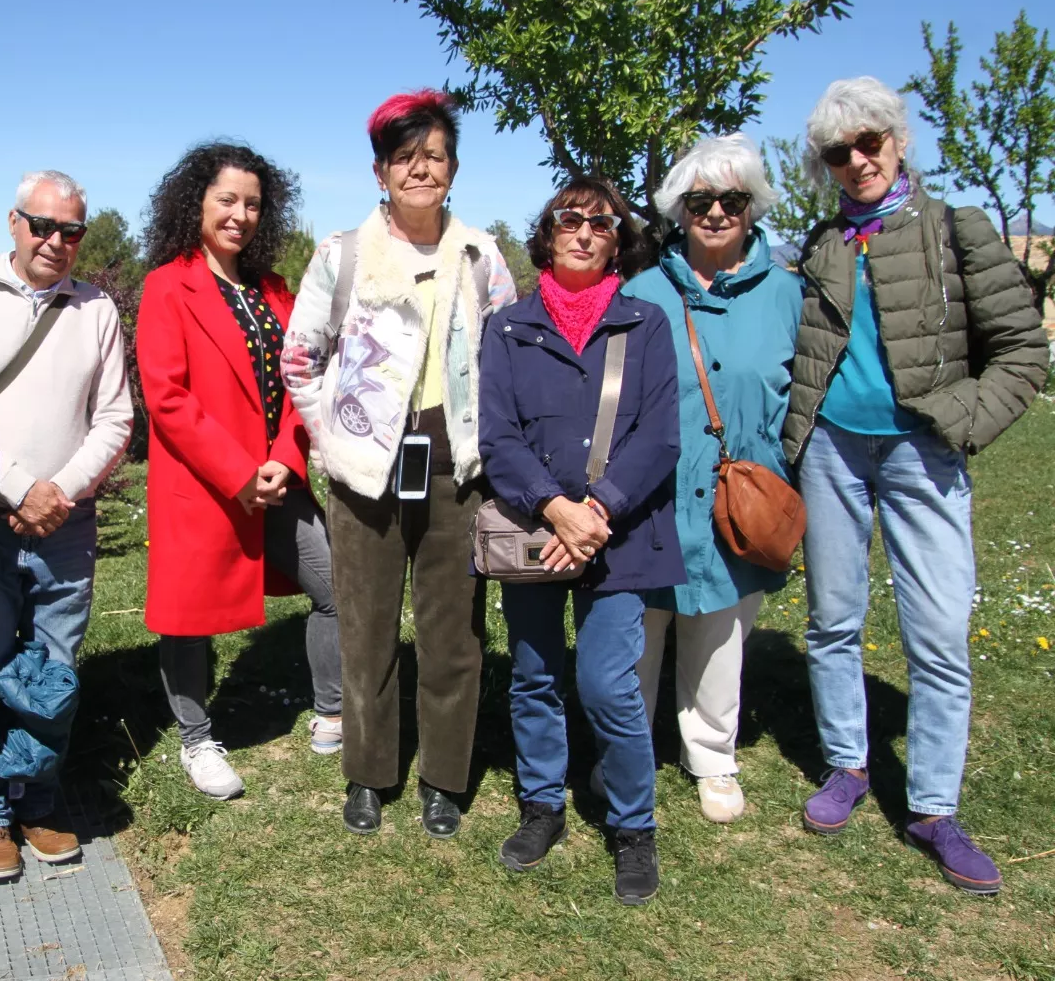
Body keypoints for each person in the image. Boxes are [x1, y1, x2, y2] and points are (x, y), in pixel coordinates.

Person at [785, 78, 1048, 895]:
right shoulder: (825, 242)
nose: (857, 160)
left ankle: (934, 806)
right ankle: (846, 765)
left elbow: (1022, 352)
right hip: (833, 450)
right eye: (840, 151)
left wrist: (958, 420)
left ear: (898, 141)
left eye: (870, 142)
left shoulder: (954, 229)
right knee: (833, 620)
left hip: (921, 454)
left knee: (937, 633)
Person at [282, 90, 516, 839]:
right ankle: (367, 771)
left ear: (454, 168)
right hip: (364, 476)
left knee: (453, 635)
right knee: (368, 628)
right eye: (406, 158)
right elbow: (299, 356)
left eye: (436, 156)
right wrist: (331, 440)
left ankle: (444, 777)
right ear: (381, 171)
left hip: (458, 470)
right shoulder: (341, 254)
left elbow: (508, 353)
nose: (422, 169)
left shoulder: (480, 256)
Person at [479, 176, 683, 906]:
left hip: (621, 537)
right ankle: (542, 806)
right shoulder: (507, 326)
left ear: (617, 239)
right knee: (535, 677)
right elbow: (497, 436)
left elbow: (659, 435)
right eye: (571, 219)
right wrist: (556, 509)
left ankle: (633, 828)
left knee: (606, 685)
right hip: (535, 533)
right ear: (549, 231)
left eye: (603, 222)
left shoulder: (645, 324)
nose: (586, 231)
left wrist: (596, 514)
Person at [0, 170, 132, 880]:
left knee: (54, 676)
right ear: (13, 223)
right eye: (41, 225)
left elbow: (116, 417)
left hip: (67, 527)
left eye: (71, 231)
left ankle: (39, 803)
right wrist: (21, 487)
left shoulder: (96, 310)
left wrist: (60, 493)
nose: (55, 241)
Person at [135, 142, 343, 800]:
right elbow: (166, 395)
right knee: (187, 616)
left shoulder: (275, 290)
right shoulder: (168, 285)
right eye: (227, 199)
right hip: (204, 482)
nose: (240, 214)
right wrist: (239, 471)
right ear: (195, 203)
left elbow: (301, 379)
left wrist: (284, 456)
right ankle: (197, 741)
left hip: (278, 477)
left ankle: (335, 712)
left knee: (336, 585)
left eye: (253, 203)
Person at [620, 134, 804, 822]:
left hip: (739, 494)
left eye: (733, 199)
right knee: (637, 631)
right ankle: (627, 748)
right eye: (702, 200)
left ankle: (712, 755)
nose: (718, 212)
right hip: (652, 494)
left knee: (722, 632)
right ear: (679, 209)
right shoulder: (641, 293)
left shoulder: (788, 294)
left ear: (753, 206)